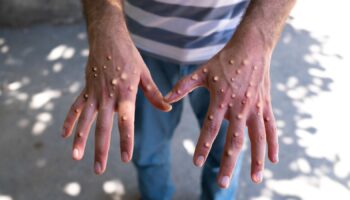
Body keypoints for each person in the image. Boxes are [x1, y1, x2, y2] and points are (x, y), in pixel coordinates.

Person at [61, 0, 296, 199]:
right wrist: (105, 25)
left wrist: (259, 38)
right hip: (135, 50)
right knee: (145, 151)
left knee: (227, 155)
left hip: (233, 50)